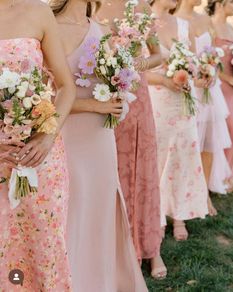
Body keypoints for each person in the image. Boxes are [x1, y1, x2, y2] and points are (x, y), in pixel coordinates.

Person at [50, 0, 149, 291]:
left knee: (101, 206)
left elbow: (116, 85)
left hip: (100, 141)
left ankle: (103, 282)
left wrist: (119, 104)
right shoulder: (48, 27)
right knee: (71, 209)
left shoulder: (102, 31)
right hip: (64, 137)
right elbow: (45, 97)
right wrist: (94, 104)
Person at [0, 0, 76, 290]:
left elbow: (65, 86)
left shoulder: (39, 11)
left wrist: (48, 136)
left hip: (40, 158)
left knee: (43, 248)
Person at [97, 0, 167, 279]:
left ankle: (151, 248)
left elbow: (158, 55)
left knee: (143, 171)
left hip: (137, 101)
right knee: (110, 174)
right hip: (104, 101)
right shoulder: (91, 8)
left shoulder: (141, 10)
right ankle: (113, 248)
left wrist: (134, 64)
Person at [147, 0, 209, 242]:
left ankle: (180, 215)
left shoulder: (184, 24)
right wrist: (164, 81)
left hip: (183, 101)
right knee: (159, 157)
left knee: (183, 155)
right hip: (158, 102)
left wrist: (202, 76)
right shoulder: (142, 22)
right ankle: (158, 215)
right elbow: (136, 69)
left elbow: (195, 65)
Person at [175, 0, 232, 199]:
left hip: (210, 88)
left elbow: (213, 53)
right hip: (189, 88)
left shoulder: (205, 19)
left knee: (209, 142)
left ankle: (204, 194)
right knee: (189, 143)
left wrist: (213, 70)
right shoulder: (174, 20)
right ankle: (185, 191)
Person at [208, 0, 233, 192]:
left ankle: (230, 174)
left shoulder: (232, 28)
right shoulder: (209, 25)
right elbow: (207, 59)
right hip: (219, 84)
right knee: (227, 128)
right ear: (219, 3)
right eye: (231, 2)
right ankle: (220, 174)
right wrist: (227, 78)